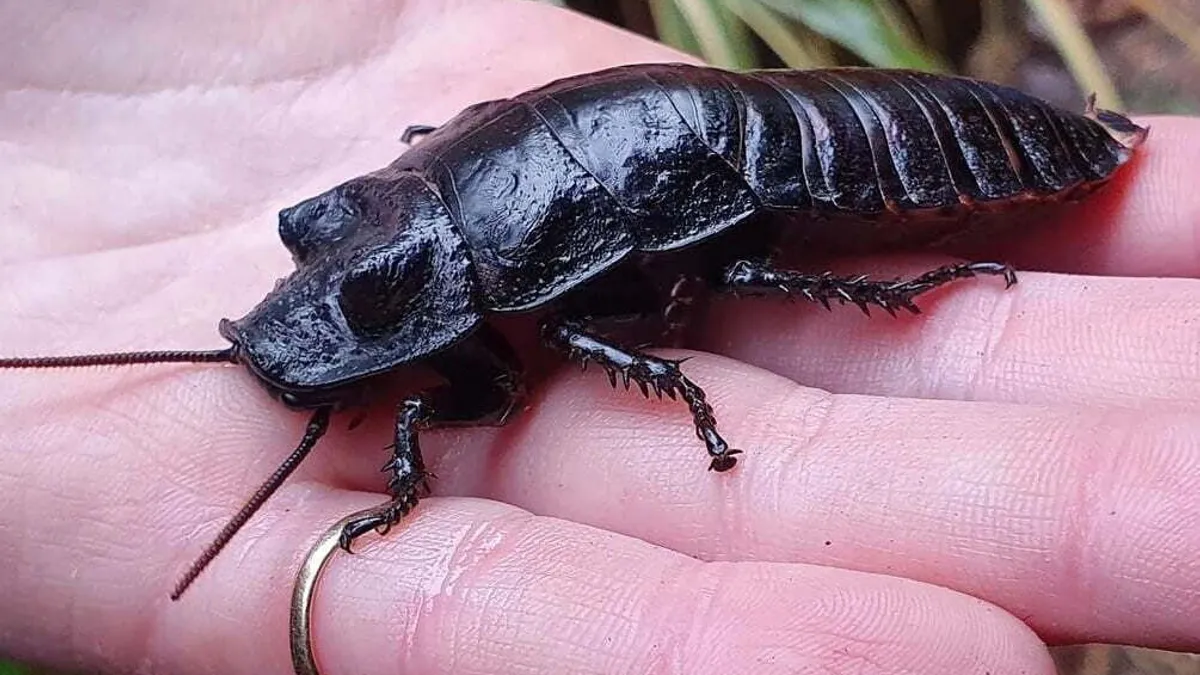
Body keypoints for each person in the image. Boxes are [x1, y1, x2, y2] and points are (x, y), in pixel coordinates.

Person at [2, 1, 1197, 673]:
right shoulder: (452, 224)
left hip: (877, 144)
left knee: (732, 267)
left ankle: (974, 232)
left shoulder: (512, 310)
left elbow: (550, 349)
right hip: (687, 131)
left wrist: (417, 427)